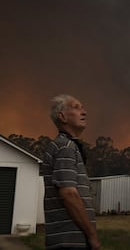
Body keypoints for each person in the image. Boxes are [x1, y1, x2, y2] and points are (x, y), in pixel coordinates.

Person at [42, 94, 100, 250]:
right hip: (69, 241)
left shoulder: (67, 146)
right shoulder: (65, 146)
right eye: (76, 107)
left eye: (83, 108)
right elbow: (69, 194)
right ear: (62, 116)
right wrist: (92, 236)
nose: (84, 112)